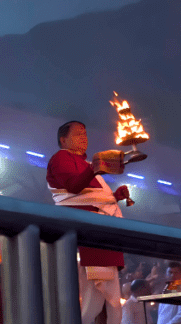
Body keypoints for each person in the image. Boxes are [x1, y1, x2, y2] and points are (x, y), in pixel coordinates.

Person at [46, 121, 131, 324]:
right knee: (93, 301)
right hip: (86, 236)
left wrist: (115, 197)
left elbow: (94, 199)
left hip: (101, 235)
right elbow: (73, 187)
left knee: (109, 302)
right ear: (63, 139)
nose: (83, 138)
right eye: (77, 134)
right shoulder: (61, 158)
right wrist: (94, 168)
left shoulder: (84, 165)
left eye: (85, 134)